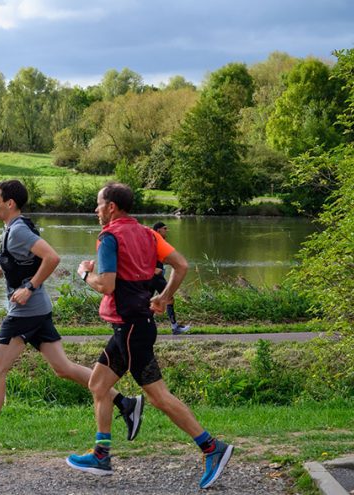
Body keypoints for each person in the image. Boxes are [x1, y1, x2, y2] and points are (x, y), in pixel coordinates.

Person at [0, 179, 144, 460]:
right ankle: (125, 403)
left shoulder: (18, 230)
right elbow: (24, 264)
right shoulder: (12, 230)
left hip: (25, 312)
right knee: (63, 368)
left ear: (10, 203)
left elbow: (52, 258)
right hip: (37, 310)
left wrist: (29, 288)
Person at [66, 183, 233, 489]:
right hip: (133, 327)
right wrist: (164, 297)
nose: (96, 210)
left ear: (112, 207)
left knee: (159, 396)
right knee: (98, 383)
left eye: (99, 204)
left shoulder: (109, 237)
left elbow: (106, 286)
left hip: (131, 328)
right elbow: (181, 265)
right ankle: (101, 454)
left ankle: (212, 448)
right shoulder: (147, 234)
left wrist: (83, 274)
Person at [151, 221, 190, 335]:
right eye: (165, 228)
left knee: (148, 301)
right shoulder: (155, 240)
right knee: (168, 299)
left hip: (152, 276)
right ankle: (174, 327)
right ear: (158, 230)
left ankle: (142, 325)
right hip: (155, 277)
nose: (166, 231)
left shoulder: (153, 239)